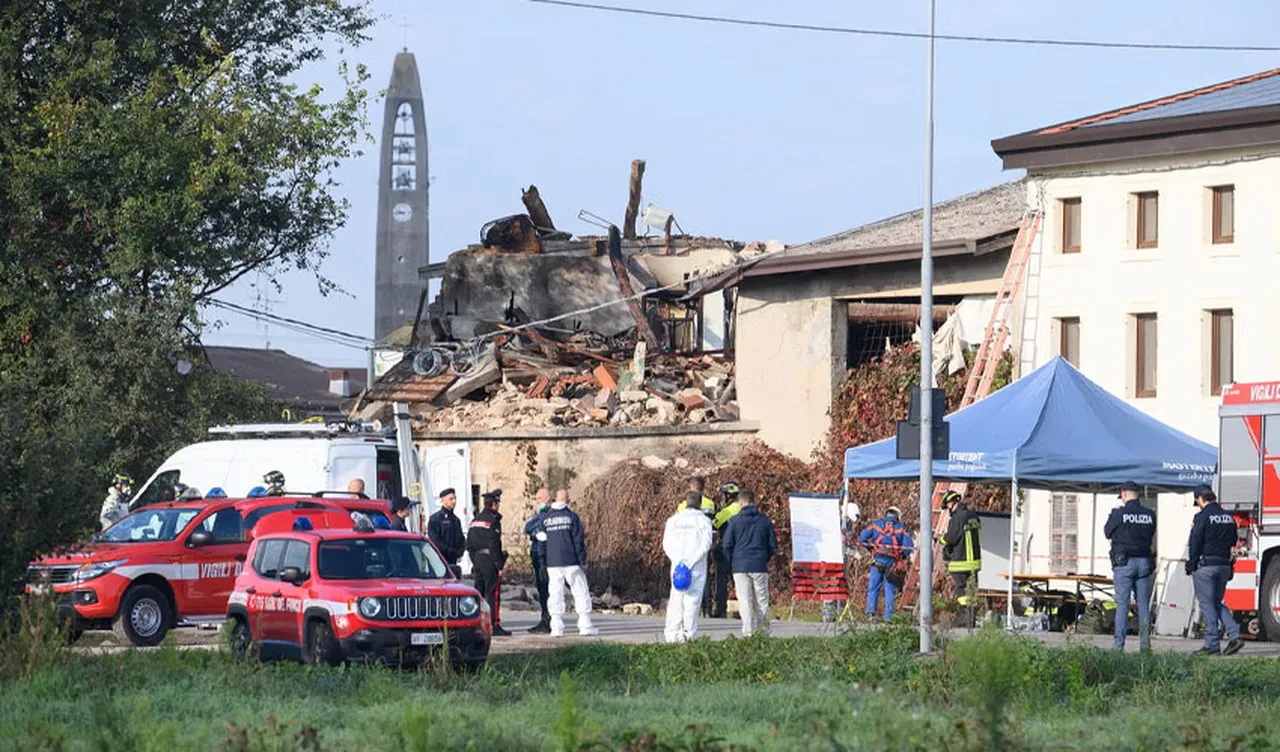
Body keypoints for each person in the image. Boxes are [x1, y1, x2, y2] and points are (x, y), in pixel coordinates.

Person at [1186, 485, 1243, 656]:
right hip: (1224, 565)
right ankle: (1235, 635)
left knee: (1207, 604)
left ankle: (1212, 644)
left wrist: (1192, 563)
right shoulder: (1228, 517)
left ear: (1199, 499)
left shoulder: (1201, 517)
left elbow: (1195, 542)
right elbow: (1234, 539)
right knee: (1217, 602)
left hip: (1206, 566)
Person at [1102, 481, 1156, 651]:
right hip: (1144, 563)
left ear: (1124, 494)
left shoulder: (1119, 514)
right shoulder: (1150, 514)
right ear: (1137, 494)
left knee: (1123, 605)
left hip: (1124, 563)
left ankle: (1119, 647)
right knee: (1143, 606)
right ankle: (1145, 647)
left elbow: (1107, 532)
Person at [542, 489, 598, 637]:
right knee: (580, 591)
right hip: (571, 560)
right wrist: (582, 561)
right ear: (567, 500)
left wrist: (544, 559)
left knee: (555, 593)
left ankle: (556, 627)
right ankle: (585, 626)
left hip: (552, 562)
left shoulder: (546, 517)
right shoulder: (571, 516)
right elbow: (578, 541)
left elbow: (540, 536)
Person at [721, 489, 777, 637]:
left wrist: (732, 561)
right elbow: (773, 546)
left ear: (740, 503)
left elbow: (726, 545)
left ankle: (748, 632)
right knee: (762, 600)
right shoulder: (765, 520)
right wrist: (764, 558)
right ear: (754, 501)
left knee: (744, 600)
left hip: (740, 565)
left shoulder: (734, 521)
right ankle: (764, 632)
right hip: (759, 564)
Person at [662, 491, 715, 642]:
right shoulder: (704, 521)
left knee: (676, 599)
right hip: (696, 567)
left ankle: (671, 634)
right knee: (692, 601)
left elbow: (666, 544)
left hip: (677, 566)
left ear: (686, 502)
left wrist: (679, 561)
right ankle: (687, 634)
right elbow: (706, 545)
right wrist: (690, 563)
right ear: (700, 504)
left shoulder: (673, 520)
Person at [467, 491, 511, 636]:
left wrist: (475, 560)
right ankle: (494, 624)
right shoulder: (493, 520)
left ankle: (477, 623)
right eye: (497, 503)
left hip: (478, 560)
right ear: (494, 504)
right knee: (493, 593)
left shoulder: (475, 520)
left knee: (479, 593)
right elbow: (494, 543)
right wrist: (499, 563)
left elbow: (469, 544)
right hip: (490, 560)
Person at [859, 506, 915, 619]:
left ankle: (870, 613)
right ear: (897, 516)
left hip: (877, 561)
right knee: (889, 590)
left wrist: (870, 549)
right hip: (892, 563)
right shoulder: (901, 528)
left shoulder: (876, 524)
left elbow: (862, 538)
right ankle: (888, 617)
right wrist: (902, 556)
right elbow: (909, 547)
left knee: (873, 588)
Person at [939, 490, 982, 627]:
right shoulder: (973, 515)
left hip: (961, 561)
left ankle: (965, 617)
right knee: (972, 590)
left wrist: (941, 541)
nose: (948, 510)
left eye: (947, 507)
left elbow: (951, 537)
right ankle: (971, 618)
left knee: (961, 590)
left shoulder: (957, 518)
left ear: (951, 503)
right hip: (975, 561)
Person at [707, 482, 742, 619]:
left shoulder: (727, 511)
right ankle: (741, 611)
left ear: (728, 496)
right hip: (740, 550)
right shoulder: (742, 508)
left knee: (721, 580)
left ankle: (721, 610)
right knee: (739, 582)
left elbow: (714, 523)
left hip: (725, 549)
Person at [524, 488, 553, 634]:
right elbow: (528, 527)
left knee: (548, 589)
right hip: (537, 554)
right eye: (536, 499)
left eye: (540, 498)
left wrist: (536, 531)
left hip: (547, 555)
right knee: (542, 589)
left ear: (548, 498)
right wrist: (535, 532)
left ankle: (549, 620)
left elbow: (544, 528)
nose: (538, 502)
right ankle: (545, 618)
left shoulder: (551, 513)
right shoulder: (540, 514)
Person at [428, 487, 466, 571]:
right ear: (443, 500)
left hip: (453, 560)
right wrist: (449, 550)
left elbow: (461, 538)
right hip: (440, 559)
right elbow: (435, 540)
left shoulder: (456, 520)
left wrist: (461, 550)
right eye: (451, 499)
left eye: (455, 498)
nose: (454, 501)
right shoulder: (436, 519)